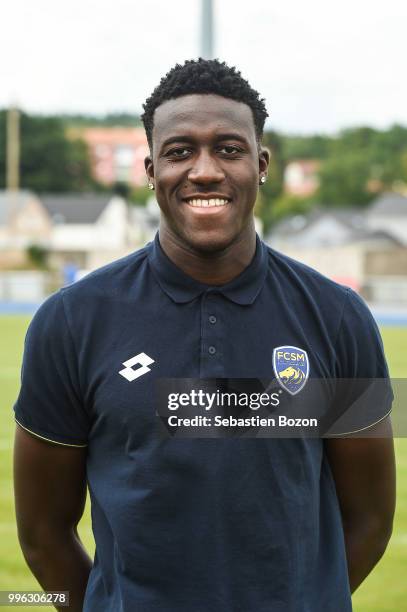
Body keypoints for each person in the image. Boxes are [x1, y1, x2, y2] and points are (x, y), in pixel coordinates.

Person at [13, 59, 395, 612]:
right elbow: (43, 535)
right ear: (150, 169)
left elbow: (371, 520)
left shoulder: (338, 317)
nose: (205, 170)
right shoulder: (70, 322)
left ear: (260, 164)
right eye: (179, 151)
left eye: (229, 149)